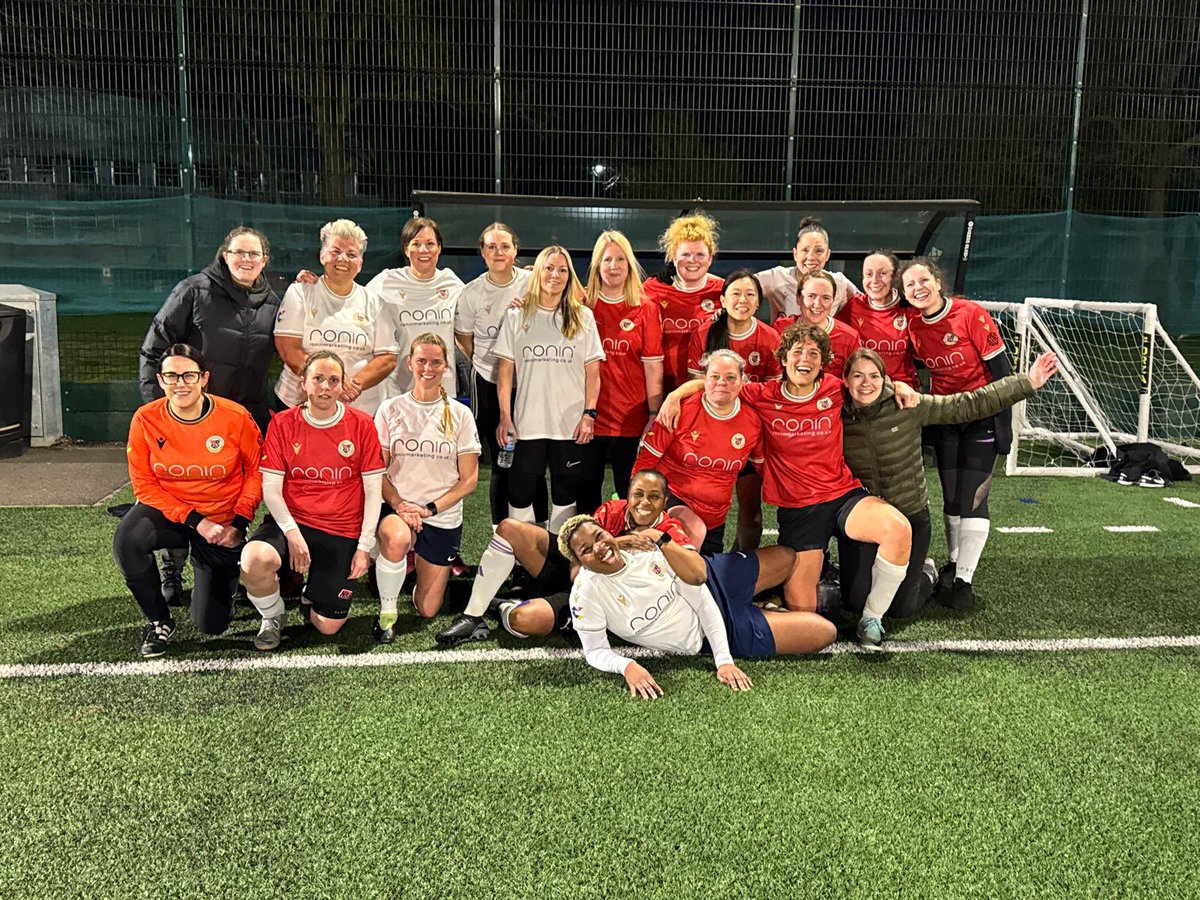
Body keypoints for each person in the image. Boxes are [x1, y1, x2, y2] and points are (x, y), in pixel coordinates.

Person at [659, 324, 917, 650]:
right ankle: (765, 601)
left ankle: (872, 619)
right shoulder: (763, 394)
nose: (804, 359)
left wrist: (899, 386)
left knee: (898, 529)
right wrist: (674, 394)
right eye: (797, 352)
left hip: (841, 495)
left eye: (813, 354)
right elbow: (719, 381)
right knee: (804, 612)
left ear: (824, 362)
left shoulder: (834, 389)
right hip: (799, 509)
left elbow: (867, 382)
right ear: (783, 358)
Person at [838, 347, 1059, 619]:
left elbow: (968, 404)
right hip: (867, 521)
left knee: (900, 609)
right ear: (845, 380)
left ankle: (927, 573)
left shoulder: (907, 405)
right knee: (852, 602)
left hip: (910, 517)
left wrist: (1027, 382)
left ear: (885, 379)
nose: (866, 383)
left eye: (874, 376)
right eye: (858, 376)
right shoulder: (836, 412)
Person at [138, 226, 279, 605]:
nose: (246, 260)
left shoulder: (273, 301)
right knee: (182, 487)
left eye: (254, 254)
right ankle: (173, 564)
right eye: (239, 252)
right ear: (225, 254)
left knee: (242, 488)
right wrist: (160, 410)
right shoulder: (194, 290)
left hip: (245, 416)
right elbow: (154, 349)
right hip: (192, 417)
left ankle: (233, 559)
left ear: (264, 260)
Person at [559, 514, 837, 699]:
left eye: (598, 536)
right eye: (586, 550)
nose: (599, 547)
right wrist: (627, 666)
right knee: (823, 633)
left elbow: (702, 599)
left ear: (608, 532)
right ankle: (765, 607)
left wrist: (724, 661)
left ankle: (767, 600)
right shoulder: (585, 595)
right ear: (579, 562)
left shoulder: (644, 551)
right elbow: (595, 652)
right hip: (709, 634)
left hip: (713, 583)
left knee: (787, 557)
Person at [115, 344, 262, 658]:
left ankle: (215, 570)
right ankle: (159, 621)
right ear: (161, 379)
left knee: (212, 623)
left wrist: (239, 521)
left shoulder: (235, 417)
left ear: (204, 378)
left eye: (188, 375)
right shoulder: (145, 420)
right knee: (129, 539)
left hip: (221, 520)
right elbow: (144, 485)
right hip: (172, 515)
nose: (180, 383)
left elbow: (256, 472)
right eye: (171, 376)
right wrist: (196, 521)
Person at [439, 469, 696, 646]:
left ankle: (498, 605)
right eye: (638, 494)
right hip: (579, 572)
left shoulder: (670, 530)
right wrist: (621, 542)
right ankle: (472, 616)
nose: (644, 503)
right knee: (510, 528)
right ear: (628, 495)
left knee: (522, 620)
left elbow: (696, 574)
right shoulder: (611, 510)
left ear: (665, 501)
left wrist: (659, 541)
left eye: (654, 497)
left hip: (601, 600)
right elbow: (576, 570)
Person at [240, 350, 385, 649]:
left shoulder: (362, 425)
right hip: (293, 522)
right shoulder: (283, 423)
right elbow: (271, 488)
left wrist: (364, 548)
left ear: (342, 385)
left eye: (333, 380)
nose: (325, 387)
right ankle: (273, 616)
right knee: (254, 559)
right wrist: (292, 533)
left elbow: (373, 490)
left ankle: (314, 591)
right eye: (318, 379)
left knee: (327, 627)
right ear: (304, 382)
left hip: (341, 528)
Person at [901, 257, 1014, 609]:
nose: (918, 289)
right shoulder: (914, 326)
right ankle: (953, 564)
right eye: (910, 285)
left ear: (937, 281)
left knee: (973, 498)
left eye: (923, 281)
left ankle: (964, 581)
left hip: (983, 415)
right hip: (947, 417)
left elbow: (1002, 371)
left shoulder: (971, 314)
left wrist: (1004, 423)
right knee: (951, 497)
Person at [374, 334, 481, 643]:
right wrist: (399, 504)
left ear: (445, 366)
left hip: (440, 515)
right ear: (410, 364)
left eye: (435, 362)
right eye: (421, 361)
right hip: (399, 507)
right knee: (396, 537)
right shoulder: (390, 409)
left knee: (427, 609)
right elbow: (377, 470)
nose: (428, 368)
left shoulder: (460, 414)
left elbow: (469, 480)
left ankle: (411, 564)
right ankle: (387, 613)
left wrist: (430, 509)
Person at [493, 245, 604, 534]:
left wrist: (589, 413)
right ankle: (522, 561)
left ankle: (558, 562)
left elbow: (593, 372)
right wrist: (505, 416)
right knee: (519, 493)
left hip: (568, 426)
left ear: (570, 276)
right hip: (526, 425)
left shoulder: (583, 317)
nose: (555, 275)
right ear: (538, 272)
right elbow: (505, 373)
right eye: (549, 268)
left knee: (565, 496)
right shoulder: (517, 316)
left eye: (562, 269)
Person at [633, 349, 764, 556]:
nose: (722, 382)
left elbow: (760, 465)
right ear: (705, 379)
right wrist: (636, 502)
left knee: (707, 575)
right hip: (673, 500)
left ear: (743, 382)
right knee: (690, 542)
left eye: (730, 377)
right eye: (715, 377)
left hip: (716, 516)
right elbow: (646, 461)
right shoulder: (678, 410)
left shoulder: (752, 422)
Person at [685, 269, 780, 551]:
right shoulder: (704, 334)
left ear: (759, 300)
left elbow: (771, 395)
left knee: (750, 509)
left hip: (751, 434)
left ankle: (741, 565)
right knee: (705, 503)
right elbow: (696, 385)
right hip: (710, 433)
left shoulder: (769, 338)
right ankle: (698, 561)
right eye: (736, 293)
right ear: (723, 300)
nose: (743, 300)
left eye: (750, 294)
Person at [453, 222, 537, 527]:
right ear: (482, 253)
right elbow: (464, 338)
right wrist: (488, 360)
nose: (498, 252)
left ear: (515, 250)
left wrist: (535, 305)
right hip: (488, 381)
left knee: (531, 460)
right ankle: (501, 531)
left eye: (504, 246)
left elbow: (572, 300)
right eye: (491, 247)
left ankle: (535, 533)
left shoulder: (534, 283)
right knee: (501, 460)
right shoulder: (472, 292)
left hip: (530, 383)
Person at [578, 230, 664, 515]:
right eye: (606, 260)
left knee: (633, 498)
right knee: (586, 492)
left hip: (631, 419)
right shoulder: (581, 305)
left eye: (620, 259)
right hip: (589, 418)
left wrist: (653, 415)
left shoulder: (646, 307)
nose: (613, 266)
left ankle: (631, 555)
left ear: (629, 264)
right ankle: (585, 555)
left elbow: (653, 366)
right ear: (596, 265)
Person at [274, 219, 398, 416]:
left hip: (360, 410)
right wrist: (331, 382)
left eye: (352, 254)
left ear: (360, 263)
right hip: (299, 405)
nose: (343, 259)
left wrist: (350, 386)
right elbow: (288, 348)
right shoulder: (300, 292)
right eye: (335, 251)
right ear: (322, 255)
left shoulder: (375, 302)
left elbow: (387, 358)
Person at [366, 216, 464, 400]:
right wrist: (315, 285)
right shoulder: (387, 281)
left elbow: (481, 303)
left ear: (439, 248)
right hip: (399, 390)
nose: (423, 250)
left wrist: (526, 285)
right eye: (416, 244)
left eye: (430, 243)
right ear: (406, 248)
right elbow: (351, 296)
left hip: (443, 389)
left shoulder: (452, 283)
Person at [641, 212, 724, 393]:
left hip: (706, 390)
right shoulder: (652, 289)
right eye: (685, 254)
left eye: (700, 255)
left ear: (710, 258)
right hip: (658, 389)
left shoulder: (723, 292)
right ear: (673, 256)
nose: (693, 261)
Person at [836, 250, 920, 388]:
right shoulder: (853, 306)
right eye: (868, 274)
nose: (874, 281)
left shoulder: (909, 308)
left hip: (901, 389)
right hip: (864, 390)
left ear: (895, 276)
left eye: (882, 274)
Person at [756, 216, 858, 323]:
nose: (811, 257)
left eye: (818, 251)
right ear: (795, 254)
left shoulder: (840, 283)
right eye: (805, 250)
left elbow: (866, 304)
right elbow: (742, 287)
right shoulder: (776, 277)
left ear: (827, 254)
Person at [773, 270, 862, 379]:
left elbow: (856, 379)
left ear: (833, 301)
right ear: (798, 298)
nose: (818, 304)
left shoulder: (849, 337)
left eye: (826, 298)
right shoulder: (781, 328)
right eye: (811, 296)